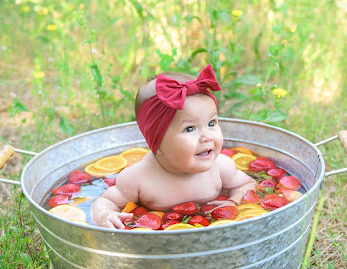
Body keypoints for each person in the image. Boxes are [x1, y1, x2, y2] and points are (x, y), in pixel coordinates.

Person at [91, 64, 256, 229]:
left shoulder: (221, 167)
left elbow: (246, 184)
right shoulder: (137, 179)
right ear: (158, 141)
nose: (207, 136)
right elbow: (105, 201)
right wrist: (105, 215)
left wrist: (233, 201)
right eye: (190, 128)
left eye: (211, 123)